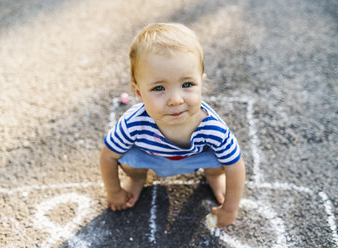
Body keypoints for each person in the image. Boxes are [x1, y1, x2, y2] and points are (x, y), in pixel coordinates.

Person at [100, 23, 245, 227]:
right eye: (159, 88)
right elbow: (108, 155)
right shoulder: (133, 123)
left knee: (224, 159)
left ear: (201, 83)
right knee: (125, 156)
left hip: (195, 159)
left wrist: (230, 209)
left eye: (187, 85)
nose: (176, 99)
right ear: (139, 93)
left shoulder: (213, 128)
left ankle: (212, 176)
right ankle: (137, 178)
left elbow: (235, 166)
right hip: (152, 157)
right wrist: (114, 192)